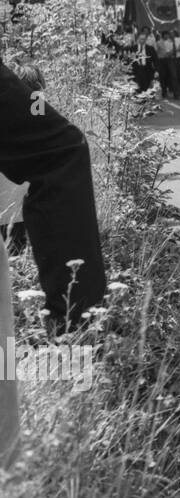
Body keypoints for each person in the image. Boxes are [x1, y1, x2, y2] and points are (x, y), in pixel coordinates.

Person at [0, 56, 106, 324]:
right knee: (64, 151)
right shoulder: (35, 108)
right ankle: (76, 320)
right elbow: (60, 152)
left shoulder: (33, 105)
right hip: (17, 219)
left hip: (12, 218)